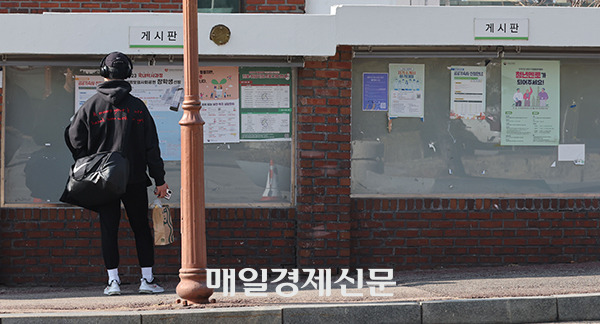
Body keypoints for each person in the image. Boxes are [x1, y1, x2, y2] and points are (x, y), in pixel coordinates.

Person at [64, 52, 170, 296]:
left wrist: (87, 162)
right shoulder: (138, 108)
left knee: (108, 229)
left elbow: (73, 137)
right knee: (141, 229)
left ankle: (113, 282)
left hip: (103, 181)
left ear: (104, 72)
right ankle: (147, 280)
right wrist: (159, 180)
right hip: (133, 179)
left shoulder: (91, 106)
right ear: (128, 74)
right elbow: (151, 147)